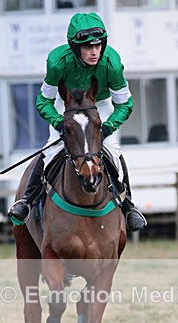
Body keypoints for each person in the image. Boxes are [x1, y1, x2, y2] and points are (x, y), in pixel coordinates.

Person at [8, 12, 147, 231]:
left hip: (98, 109)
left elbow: (125, 104)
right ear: (75, 47)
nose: (94, 52)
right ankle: (26, 201)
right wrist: (58, 122)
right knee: (49, 152)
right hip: (66, 110)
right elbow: (43, 101)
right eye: (88, 47)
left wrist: (108, 126)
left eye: (98, 45)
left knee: (114, 153)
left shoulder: (112, 62)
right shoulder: (57, 62)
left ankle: (129, 207)